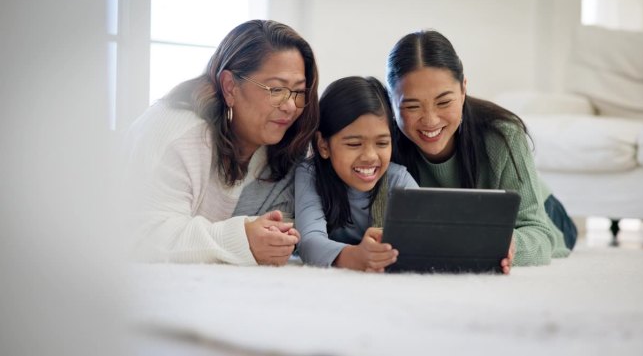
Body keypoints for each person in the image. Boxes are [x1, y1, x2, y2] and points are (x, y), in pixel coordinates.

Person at [124, 19, 319, 266]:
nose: (290, 106)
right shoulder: (179, 130)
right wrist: (242, 237)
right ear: (229, 87)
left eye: (299, 92)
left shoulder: (287, 143)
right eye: (276, 89)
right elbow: (143, 238)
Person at [385, 30, 576, 273]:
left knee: (557, 231)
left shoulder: (503, 135)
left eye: (444, 102)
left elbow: (540, 233)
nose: (430, 121)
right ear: (391, 101)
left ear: (463, 89)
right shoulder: (382, 141)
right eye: (412, 106)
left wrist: (508, 244)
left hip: (544, 214)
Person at [295, 76, 418, 271]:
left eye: (382, 143)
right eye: (354, 144)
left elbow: (427, 237)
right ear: (323, 145)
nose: (370, 156)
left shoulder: (398, 179)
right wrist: (353, 256)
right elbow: (309, 242)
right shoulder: (310, 175)